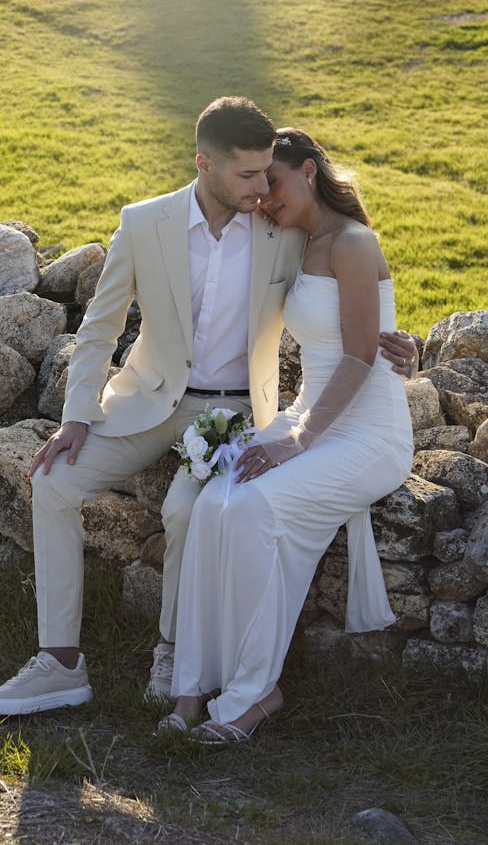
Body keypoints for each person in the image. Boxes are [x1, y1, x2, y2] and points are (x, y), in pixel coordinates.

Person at [0, 102, 416, 716]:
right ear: (205, 164)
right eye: (248, 176)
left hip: (236, 412)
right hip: (146, 404)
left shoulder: (283, 229)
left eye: (269, 175)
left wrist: (396, 338)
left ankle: (173, 648)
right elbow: (99, 329)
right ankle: (59, 662)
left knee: (188, 508)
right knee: (52, 480)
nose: (262, 189)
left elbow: (349, 294)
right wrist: (77, 415)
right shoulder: (144, 223)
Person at [161, 129, 415, 745]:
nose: (261, 198)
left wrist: (295, 441)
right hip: (312, 416)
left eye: (270, 181)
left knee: (253, 507)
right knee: (212, 504)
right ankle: (193, 684)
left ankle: (255, 694)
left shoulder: (353, 242)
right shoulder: (296, 242)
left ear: (307, 171)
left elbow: (359, 357)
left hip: (367, 433)